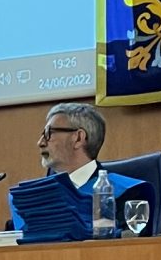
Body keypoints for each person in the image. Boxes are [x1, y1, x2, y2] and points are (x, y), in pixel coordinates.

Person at [8, 102, 124, 242]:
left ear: (78, 138)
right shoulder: (32, 199)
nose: (40, 142)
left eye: (49, 133)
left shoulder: (124, 194)